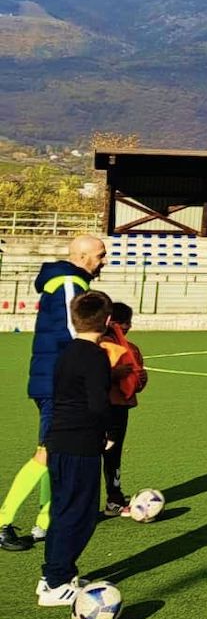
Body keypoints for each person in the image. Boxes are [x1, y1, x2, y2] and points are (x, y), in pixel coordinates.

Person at [0, 234, 107, 554]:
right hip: (57, 385)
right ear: (84, 256)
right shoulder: (68, 283)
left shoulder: (69, 280)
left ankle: (46, 521)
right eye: (100, 255)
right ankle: (3, 520)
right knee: (47, 452)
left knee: (53, 450)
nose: (104, 260)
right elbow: (77, 331)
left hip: (54, 381)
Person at [37, 290, 114, 607]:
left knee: (62, 510)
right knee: (79, 515)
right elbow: (98, 404)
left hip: (59, 440)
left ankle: (54, 575)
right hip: (80, 443)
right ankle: (56, 583)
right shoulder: (96, 356)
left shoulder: (66, 351)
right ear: (107, 321)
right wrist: (105, 436)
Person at [99, 301, 148, 517]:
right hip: (115, 407)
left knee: (99, 454)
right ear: (117, 323)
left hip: (98, 406)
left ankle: (108, 500)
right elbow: (136, 382)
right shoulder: (125, 349)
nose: (130, 326)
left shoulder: (93, 345)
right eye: (127, 322)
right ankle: (114, 499)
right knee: (111, 453)